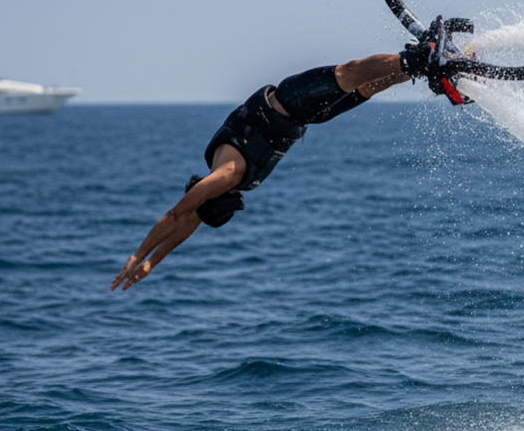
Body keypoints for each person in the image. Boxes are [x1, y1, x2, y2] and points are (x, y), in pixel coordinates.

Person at [112, 49, 433, 291]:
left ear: (226, 194)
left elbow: (176, 215)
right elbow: (190, 221)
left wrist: (137, 254)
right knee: (367, 87)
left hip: (292, 100)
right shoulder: (222, 183)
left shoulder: (227, 175)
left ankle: (415, 58)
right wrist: (153, 262)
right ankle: (425, 68)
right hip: (306, 118)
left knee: (351, 73)